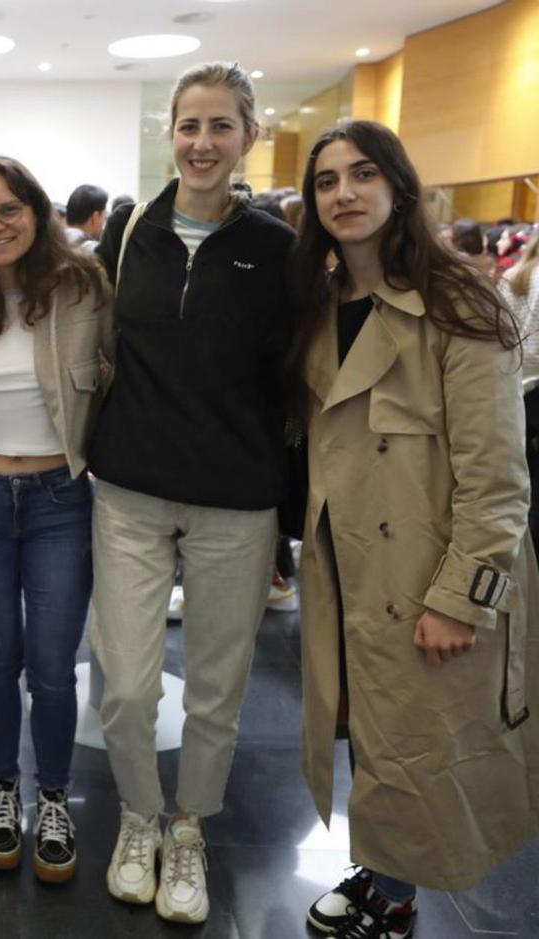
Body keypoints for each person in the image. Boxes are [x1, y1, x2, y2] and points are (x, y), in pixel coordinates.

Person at [287, 120, 539, 939]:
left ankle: (391, 893)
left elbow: (498, 476)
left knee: (425, 744)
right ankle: (384, 877)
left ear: (399, 187)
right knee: (382, 734)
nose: (344, 194)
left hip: (427, 571)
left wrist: (463, 598)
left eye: (362, 175)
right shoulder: (322, 306)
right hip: (351, 567)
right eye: (326, 181)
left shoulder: (461, 302)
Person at [89, 62, 295, 925]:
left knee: (216, 687)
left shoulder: (279, 248)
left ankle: (188, 826)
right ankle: (138, 813)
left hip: (235, 499)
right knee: (129, 686)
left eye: (220, 126)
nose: (203, 142)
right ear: (170, 134)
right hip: (131, 488)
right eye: (189, 125)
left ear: (248, 134)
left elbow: (296, 378)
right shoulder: (129, 231)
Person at [0, 156, 110, 882]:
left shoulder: (83, 287)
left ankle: (55, 796)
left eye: (8, 209)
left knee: (53, 668)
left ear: (36, 213)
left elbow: (122, 377)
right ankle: (3, 791)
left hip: (59, 500)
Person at [501, 232, 539, 544]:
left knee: (518, 481)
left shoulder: (515, 276)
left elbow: (499, 331)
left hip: (513, 386)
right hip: (534, 387)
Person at [64, 184, 109, 250]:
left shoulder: (52, 241)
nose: (104, 225)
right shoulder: (93, 251)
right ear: (95, 218)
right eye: (104, 217)